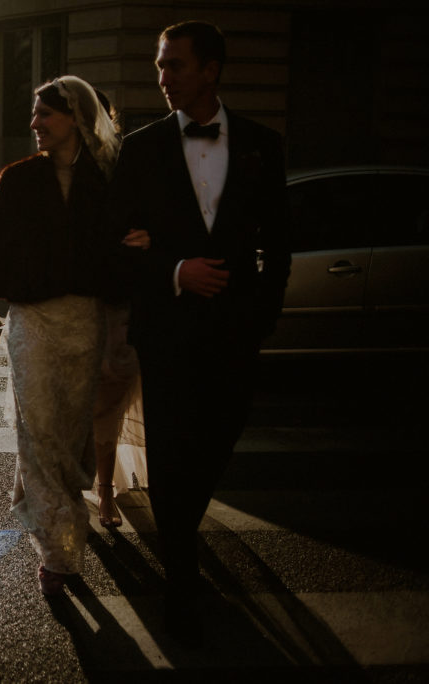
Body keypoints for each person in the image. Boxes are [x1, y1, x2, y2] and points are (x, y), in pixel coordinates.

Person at [107, 21, 291, 641]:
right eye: (160, 66)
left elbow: (280, 244)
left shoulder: (263, 145)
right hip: (168, 331)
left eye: (174, 66)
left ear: (210, 70)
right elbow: (117, 245)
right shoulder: (142, 148)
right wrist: (177, 269)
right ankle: (181, 578)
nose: (162, 78)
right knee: (171, 454)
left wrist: (262, 315)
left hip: (236, 333)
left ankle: (181, 535)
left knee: (218, 443)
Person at [0, 75, 130, 596]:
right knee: (37, 430)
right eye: (35, 114)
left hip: (86, 320)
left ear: (76, 119)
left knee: (69, 432)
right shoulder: (17, 179)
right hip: (32, 320)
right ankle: (58, 550)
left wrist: (145, 239)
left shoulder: (107, 180)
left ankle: (46, 506)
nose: (35, 124)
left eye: (45, 114)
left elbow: (121, 247)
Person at [90, 89, 148, 529]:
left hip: (114, 302)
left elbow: (150, 214)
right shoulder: (51, 167)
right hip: (70, 304)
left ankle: (105, 490)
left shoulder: (124, 161)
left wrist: (149, 237)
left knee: (108, 402)